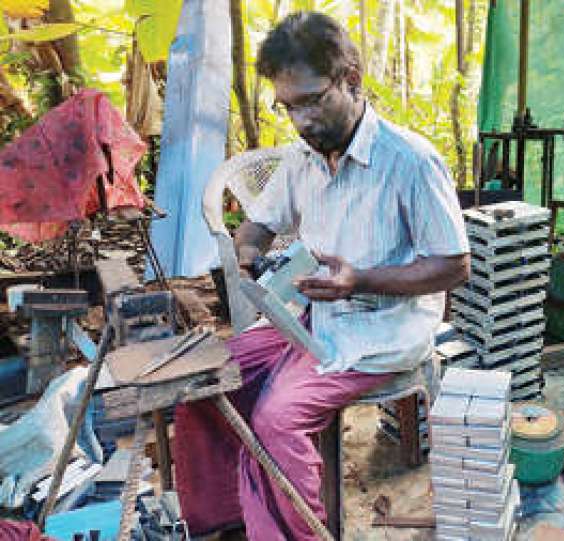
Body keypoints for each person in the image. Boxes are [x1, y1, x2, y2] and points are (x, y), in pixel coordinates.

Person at [172, 11, 469, 540]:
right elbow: (259, 224)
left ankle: (301, 534)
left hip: (383, 329)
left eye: (312, 101)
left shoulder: (411, 161)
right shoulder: (301, 158)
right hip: (310, 318)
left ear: (350, 79)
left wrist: (361, 280)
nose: (301, 121)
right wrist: (246, 253)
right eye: (289, 107)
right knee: (200, 386)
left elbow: (454, 266)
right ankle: (225, 525)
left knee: (276, 419)